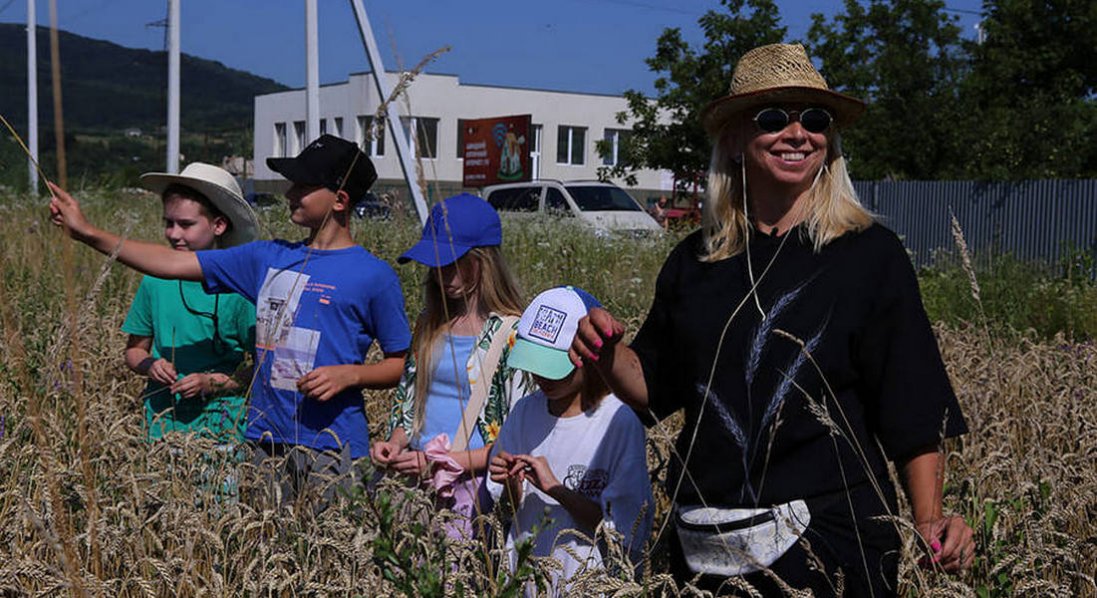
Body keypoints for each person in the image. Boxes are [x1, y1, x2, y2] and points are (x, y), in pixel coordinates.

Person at [568, 44, 975, 596]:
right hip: (708, 546)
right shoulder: (696, 263)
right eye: (772, 118)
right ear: (734, 138)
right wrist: (606, 348)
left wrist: (929, 518)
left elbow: (911, 401)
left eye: (814, 119)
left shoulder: (869, 256)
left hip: (831, 542)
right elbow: (653, 388)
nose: (797, 133)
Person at [48, 134, 412, 503]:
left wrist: (351, 375)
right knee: (269, 548)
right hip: (263, 442)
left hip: (334, 445)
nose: (289, 193)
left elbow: (403, 366)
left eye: (303, 186)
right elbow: (171, 263)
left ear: (340, 199)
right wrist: (87, 233)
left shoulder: (374, 276)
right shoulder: (266, 258)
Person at [370, 193, 534, 538]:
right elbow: (409, 402)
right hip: (415, 481)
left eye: (452, 261)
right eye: (434, 262)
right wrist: (396, 444)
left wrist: (446, 462)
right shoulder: (430, 322)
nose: (440, 272)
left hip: (471, 490)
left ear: (483, 261)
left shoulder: (511, 333)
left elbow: (517, 437)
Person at [488, 286, 653, 596]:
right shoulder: (524, 411)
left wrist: (556, 489)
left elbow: (626, 531)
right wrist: (511, 483)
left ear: (591, 356)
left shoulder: (617, 422)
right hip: (528, 582)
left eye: (555, 367)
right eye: (536, 364)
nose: (543, 377)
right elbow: (507, 510)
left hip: (591, 585)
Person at [121, 163, 257, 445]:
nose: (173, 233)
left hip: (222, 425)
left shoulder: (240, 289)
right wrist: (149, 366)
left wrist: (214, 383)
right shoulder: (155, 280)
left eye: (185, 224)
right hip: (162, 423)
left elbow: (264, 368)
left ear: (219, 225)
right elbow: (134, 350)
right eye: (168, 223)